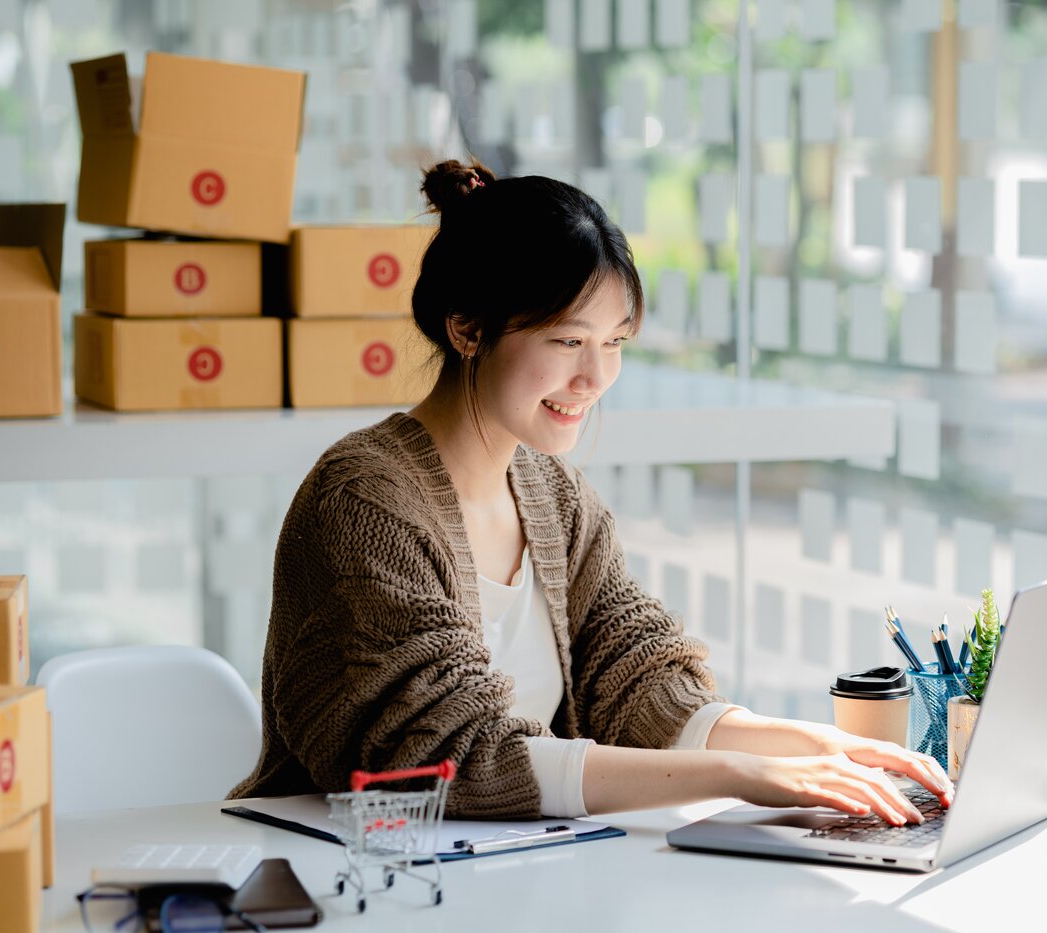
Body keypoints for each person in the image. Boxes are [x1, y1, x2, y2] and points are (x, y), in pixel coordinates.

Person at [230, 159, 954, 824]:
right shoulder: (364, 504)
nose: (595, 377)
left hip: (501, 877)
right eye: (567, 341)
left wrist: (812, 746)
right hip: (341, 881)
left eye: (614, 343)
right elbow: (452, 757)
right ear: (467, 328)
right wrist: (737, 772)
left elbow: (635, 678)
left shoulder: (552, 494)